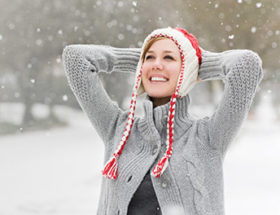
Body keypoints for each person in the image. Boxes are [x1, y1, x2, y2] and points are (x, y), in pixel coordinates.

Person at [62, 27, 263, 215]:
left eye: (169, 57)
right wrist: (141, 61)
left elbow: (246, 66)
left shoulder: (209, 137)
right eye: (149, 57)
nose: (157, 63)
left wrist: (194, 63)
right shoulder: (117, 129)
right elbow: (76, 59)